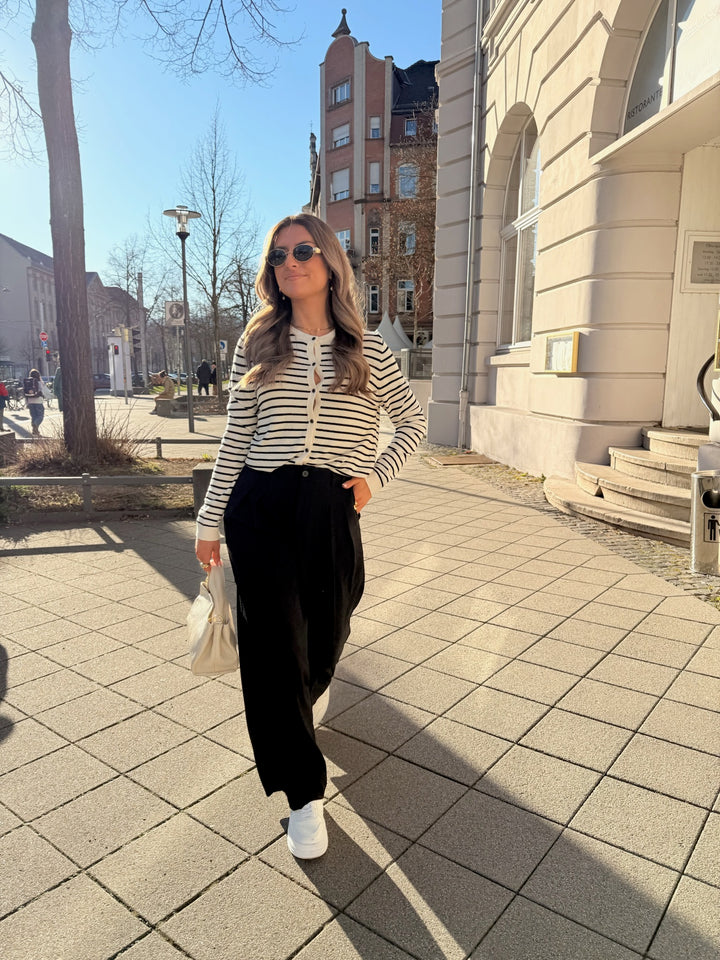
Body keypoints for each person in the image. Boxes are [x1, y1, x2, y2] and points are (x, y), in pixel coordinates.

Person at [195, 213, 426, 860]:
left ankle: (301, 700)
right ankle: (304, 793)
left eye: (302, 251)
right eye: (278, 256)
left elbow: (412, 423)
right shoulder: (258, 343)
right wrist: (210, 521)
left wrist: (373, 479)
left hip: (330, 508)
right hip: (261, 507)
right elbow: (237, 437)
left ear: (329, 262)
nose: (289, 263)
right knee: (273, 652)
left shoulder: (368, 349)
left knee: (328, 633)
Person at [24, 368, 51, 436]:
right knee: (40, 416)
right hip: (38, 401)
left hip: (30, 401)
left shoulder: (28, 382)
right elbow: (45, 391)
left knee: (34, 416)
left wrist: (26, 403)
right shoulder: (40, 382)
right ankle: (35, 424)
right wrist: (51, 395)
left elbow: (25, 392)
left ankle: (35, 430)